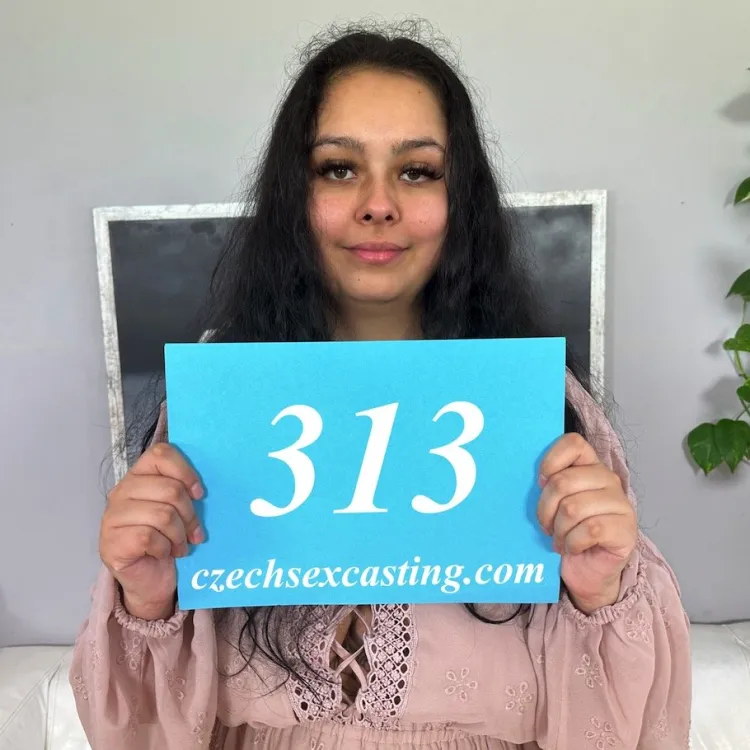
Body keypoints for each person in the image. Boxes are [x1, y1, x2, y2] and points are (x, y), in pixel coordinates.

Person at [70, 20, 691, 750]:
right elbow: (141, 730)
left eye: (417, 170)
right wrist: (147, 599)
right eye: (338, 168)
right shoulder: (219, 403)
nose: (378, 203)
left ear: (461, 199)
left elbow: (617, 726)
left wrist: (598, 591)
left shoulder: (546, 409)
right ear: (292, 195)